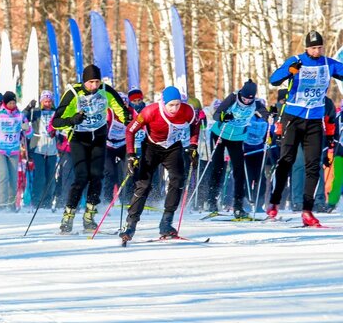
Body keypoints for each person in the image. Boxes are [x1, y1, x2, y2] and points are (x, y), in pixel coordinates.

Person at [267, 30, 343, 226]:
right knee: (286, 161)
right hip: (293, 118)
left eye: (320, 47)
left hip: (315, 121)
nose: (317, 51)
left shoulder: (328, 64)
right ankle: (274, 203)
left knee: (313, 165)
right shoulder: (297, 60)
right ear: (307, 48)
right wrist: (290, 71)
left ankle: (307, 211)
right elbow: (274, 79)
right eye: (313, 47)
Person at [51, 64, 130, 233]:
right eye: (91, 82)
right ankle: (68, 216)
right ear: (84, 81)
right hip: (79, 138)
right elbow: (56, 122)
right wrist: (72, 119)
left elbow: (121, 110)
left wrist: (129, 123)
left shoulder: (105, 90)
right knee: (81, 177)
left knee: (96, 176)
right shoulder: (74, 93)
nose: (94, 86)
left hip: (99, 137)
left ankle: (89, 216)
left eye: (97, 81)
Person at [121, 86, 200, 241]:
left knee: (177, 179)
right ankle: (130, 225)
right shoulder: (150, 112)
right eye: (171, 105)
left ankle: (166, 223)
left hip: (172, 147)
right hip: (151, 147)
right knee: (144, 185)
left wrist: (193, 145)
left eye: (177, 104)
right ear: (163, 103)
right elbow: (130, 130)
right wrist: (131, 155)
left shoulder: (187, 111)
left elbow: (195, 125)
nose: (175, 109)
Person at [206, 80, 268, 219]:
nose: (246, 101)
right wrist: (224, 117)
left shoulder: (256, 103)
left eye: (249, 99)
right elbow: (217, 115)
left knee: (239, 171)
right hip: (220, 135)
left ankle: (238, 205)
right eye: (245, 98)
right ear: (241, 93)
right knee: (218, 167)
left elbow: (265, 113)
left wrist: (268, 116)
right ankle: (211, 201)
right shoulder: (233, 98)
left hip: (237, 138)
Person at [0, 91, 32, 210]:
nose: (12, 105)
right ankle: (2, 204)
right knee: (3, 175)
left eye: (14, 102)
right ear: (5, 103)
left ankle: (12, 203)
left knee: (13, 178)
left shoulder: (20, 116)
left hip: (13, 150)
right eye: (10, 103)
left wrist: (27, 128)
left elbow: (29, 135)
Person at [25, 91, 58, 208]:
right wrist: (28, 108)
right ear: (41, 101)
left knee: (50, 177)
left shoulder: (56, 112)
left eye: (49, 101)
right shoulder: (36, 112)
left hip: (52, 148)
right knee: (40, 176)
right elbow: (21, 117)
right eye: (45, 101)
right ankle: (36, 201)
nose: (47, 104)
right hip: (38, 147)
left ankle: (47, 202)